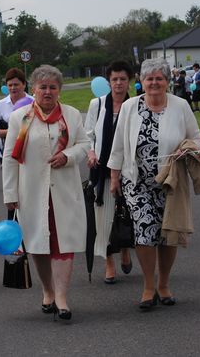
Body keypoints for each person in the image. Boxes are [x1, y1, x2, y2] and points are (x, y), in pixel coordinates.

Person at [107, 57, 200, 310]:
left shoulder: (180, 106)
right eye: (149, 79)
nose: (154, 83)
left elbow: (197, 139)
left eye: (159, 78)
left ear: (167, 82)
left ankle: (164, 284)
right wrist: (114, 177)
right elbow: (118, 144)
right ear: (141, 81)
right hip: (136, 181)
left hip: (170, 181)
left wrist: (189, 149)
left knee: (168, 235)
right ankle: (149, 286)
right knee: (145, 231)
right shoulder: (129, 107)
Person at [3, 65, 90, 321]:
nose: (48, 92)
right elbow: (9, 157)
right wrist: (10, 193)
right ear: (33, 89)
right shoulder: (20, 118)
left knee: (64, 243)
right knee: (38, 244)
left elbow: (85, 144)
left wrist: (68, 155)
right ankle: (48, 291)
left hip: (64, 191)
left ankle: (62, 298)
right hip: (31, 191)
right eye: (43, 87)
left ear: (59, 90)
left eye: (53, 87)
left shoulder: (72, 115)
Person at [84, 60, 133, 285]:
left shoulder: (134, 104)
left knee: (125, 214)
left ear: (129, 81)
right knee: (103, 217)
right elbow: (88, 134)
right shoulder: (98, 104)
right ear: (108, 81)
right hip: (102, 168)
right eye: (115, 79)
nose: (119, 83)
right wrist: (91, 153)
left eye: (123, 79)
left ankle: (125, 248)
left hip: (128, 169)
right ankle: (109, 261)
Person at [0, 68, 34, 165]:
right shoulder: (0, 105)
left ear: (24, 84)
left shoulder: (34, 102)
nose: (13, 88)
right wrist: (5, 132)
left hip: (31, 151)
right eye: (10, 85)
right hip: (6, 152)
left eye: (16, 84)